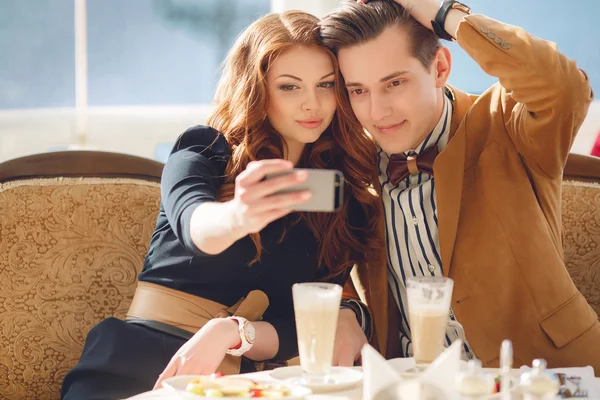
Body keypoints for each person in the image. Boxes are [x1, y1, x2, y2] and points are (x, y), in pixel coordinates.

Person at [61, 10, 384, 400]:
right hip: (145, 362)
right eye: (289, 87)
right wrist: (238, 215)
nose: (311, 104)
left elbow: (303, 327)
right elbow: (197, 226)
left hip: (253, 383)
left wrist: (349, 313)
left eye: (326, 84)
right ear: (257, 89)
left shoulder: (345, 203)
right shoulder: (205, 151)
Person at [320, 0, 600, 370]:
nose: (378, 111)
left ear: (439, 67)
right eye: (359, 90)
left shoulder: (505, 125)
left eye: (395, 83)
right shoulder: (353, 167)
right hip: (410, 382)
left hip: (546, 378)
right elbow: (317, 256)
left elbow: (565, 89)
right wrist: (346, 307)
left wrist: (441, 12)